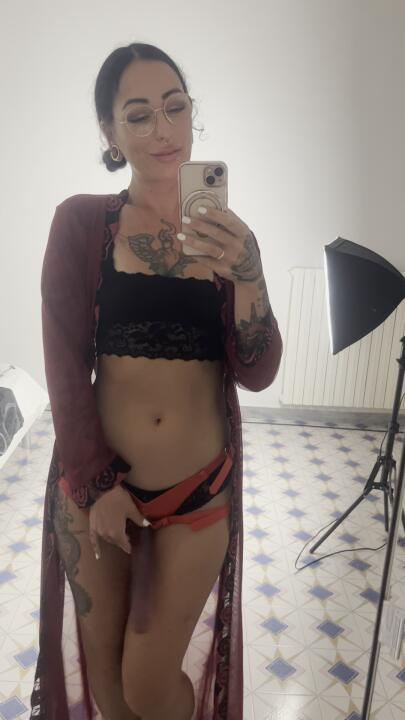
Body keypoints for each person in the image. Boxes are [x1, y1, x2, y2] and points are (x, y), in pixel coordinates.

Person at [30, 42, 283, 720]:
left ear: (193, 114)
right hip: (95, 489)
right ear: (109, 134)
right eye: (138, 115)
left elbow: (258, 371)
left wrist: (250, 275)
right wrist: (96, 485)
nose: (163, 129)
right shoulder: (82, 222)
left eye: (175, 107)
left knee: (148, 685)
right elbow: (63, 365)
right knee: (111, 695)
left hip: (196, 494)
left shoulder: (228, 238)